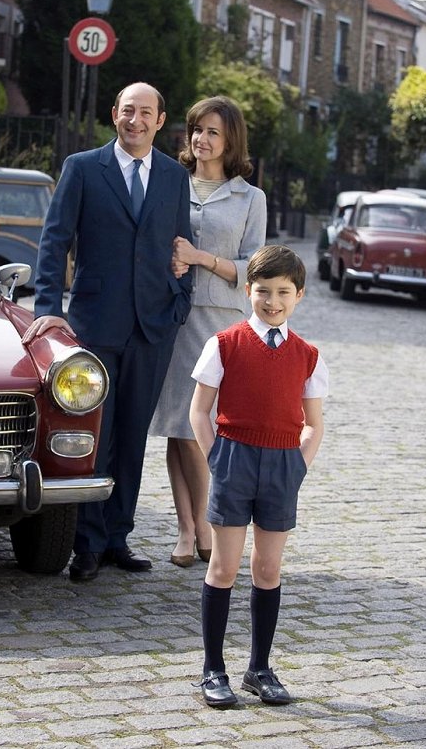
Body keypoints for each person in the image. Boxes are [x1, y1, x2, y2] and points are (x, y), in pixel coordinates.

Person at [23, 82, 192, 582]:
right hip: (96, 323)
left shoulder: (172, 176)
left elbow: (182, 244)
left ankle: (119, 536)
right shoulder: (81, 168)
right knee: (95, 436)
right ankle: (88, 545)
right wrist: (51, 310)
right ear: (113, 115)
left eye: (145, 113)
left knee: (133, 434)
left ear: (160, 121)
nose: (135, 120)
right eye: (127, 111)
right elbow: (54, 242)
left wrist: (180, 303)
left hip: (154, 326)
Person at [189, 244, 328, 708]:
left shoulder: (308, 355)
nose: (273, 301)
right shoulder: (224, 344)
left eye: (283, 292)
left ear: (299, 295)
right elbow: (199, 412)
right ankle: (213, 669)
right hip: (234, 460)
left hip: (282, 466)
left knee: (267, 568)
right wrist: (217, 461)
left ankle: (260, 668)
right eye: (263, 291)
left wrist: (296, 467)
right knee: (224, 567)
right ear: (248, 290)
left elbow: (314, 423)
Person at [149, 96, 267, 568]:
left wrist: (201, 258)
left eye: (213, 132)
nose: (202, 139)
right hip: (171, 317)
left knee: (204, 428)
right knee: (178, 427)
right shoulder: (171, 183)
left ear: (230, 140)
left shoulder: (249, 198)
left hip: (220, 323)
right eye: (196, 129)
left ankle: (207, 524)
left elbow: (254, 268)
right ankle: (187, 527)